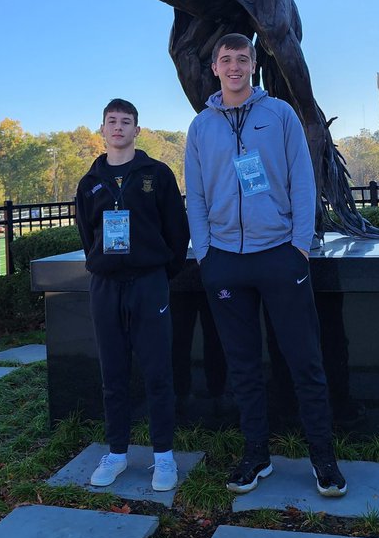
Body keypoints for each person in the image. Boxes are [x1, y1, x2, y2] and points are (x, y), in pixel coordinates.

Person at [184, 34, 347, 498]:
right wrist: (206, 253)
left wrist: (299, 244)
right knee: (243, 366)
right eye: (225, 59)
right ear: (215, 68)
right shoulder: (200, 127)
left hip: (279, 254)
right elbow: (195, 193)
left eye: (242, 58)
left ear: (253, 64)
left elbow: (302, 179)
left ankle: (323, 457)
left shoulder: (280, 114)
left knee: (304, 360)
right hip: (225, 263)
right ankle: (256, 454)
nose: (234, 66)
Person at [76, 99, 190, 491]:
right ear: (103, 129)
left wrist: (157, 269)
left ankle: (163, 457)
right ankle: (117, 453)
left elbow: (177, 230)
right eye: (112, 121)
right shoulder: (89, 182)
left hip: (149, 284)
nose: (119, 127)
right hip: (106, 287)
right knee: (113, 373)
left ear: (137, 130)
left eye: (127, 122)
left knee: (158, 371)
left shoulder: (156, 175)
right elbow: (87, 235)